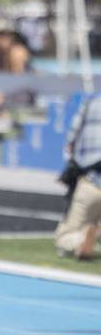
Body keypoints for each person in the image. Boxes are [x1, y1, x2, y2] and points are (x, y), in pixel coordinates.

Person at [55, 95, 101, 260]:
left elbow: (70, 142)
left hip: (91, 180)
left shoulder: (91, 103)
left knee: (64, 236)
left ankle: (79, 239)